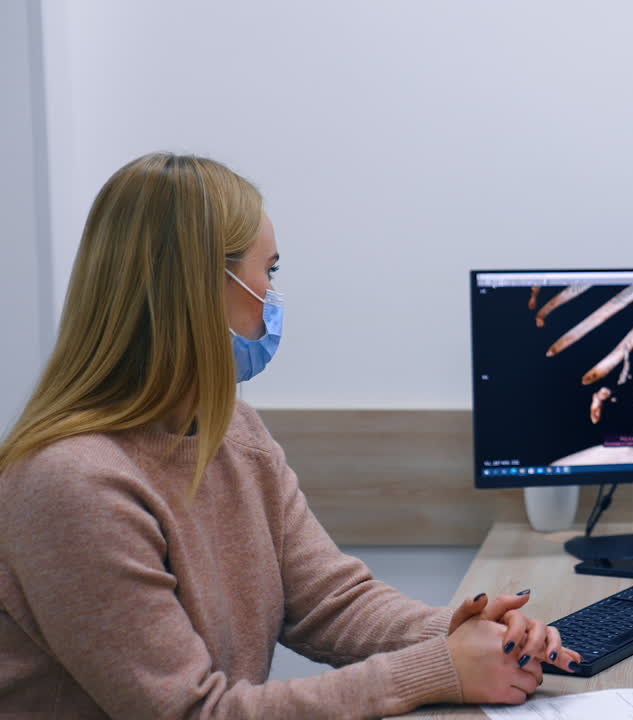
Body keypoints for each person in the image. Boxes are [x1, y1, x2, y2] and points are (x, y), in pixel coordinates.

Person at [0, 153, 581, 718]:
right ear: (198, 286)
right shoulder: (72, 484)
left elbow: (329, 603)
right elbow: (194, 711)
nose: (273, 298)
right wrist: (436, 670)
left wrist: (455, 632)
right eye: (268, 271)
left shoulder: (233, 432)